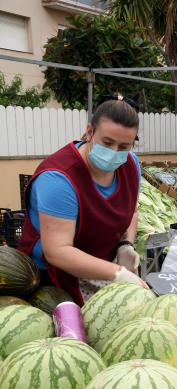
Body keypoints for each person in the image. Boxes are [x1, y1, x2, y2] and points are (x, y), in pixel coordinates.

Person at [18, 95, 147, 305]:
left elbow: (130, 211)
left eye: (124, 146)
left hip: (101, 269)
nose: (115, 153)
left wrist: (125, 244)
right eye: (107, 143)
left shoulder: (130, 165)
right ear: (89, 132)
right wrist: (118, 273)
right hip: (52, 281)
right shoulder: (59, 179)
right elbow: (57, 251)